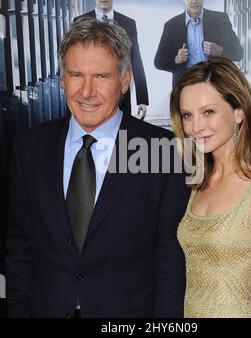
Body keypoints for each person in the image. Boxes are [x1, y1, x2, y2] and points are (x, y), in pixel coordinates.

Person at [6, 17, 190, 318]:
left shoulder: (162, 149)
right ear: (63, 78)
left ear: (125, 79)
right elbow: (20, 248)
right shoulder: (30, 147)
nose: (87, 91)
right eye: (76, 75)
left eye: (101, 76)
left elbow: (171, 260)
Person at [170, 57, 251, 318]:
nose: (195, 127)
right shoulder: (197, 182)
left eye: (208, 112)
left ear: (239, 112)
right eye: (187, 115)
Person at [74, 0, 149, 119]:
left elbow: (136, 59)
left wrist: (142, 99)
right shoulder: (80, 21)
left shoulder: (128, 23)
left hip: (120, 93)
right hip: (90, 90)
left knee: (122, 133)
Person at [154, 0, 243, 87]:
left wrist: (219, 51)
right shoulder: (171, 25)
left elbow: (238, 53)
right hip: (185, 87)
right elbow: (158, 62)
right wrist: (176, 59)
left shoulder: (220, 20)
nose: (194, 1)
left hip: (215, 86)